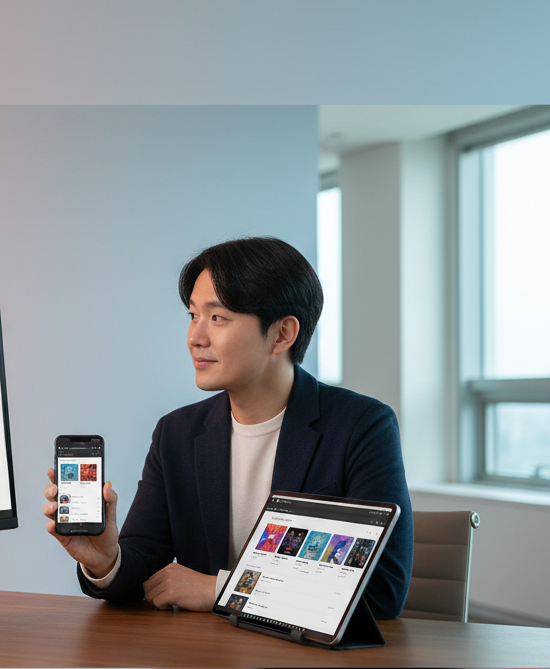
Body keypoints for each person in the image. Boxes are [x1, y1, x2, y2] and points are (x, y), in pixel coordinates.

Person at [42, 236, 413, 620]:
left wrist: (220, 589)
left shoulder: (362, 427)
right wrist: (107, 560)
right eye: (192, 316)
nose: (195, 337)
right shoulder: (177, 434)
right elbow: (143, 571)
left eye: (217, 317)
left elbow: (382, 591)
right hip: (210, 662)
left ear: (283, 334)